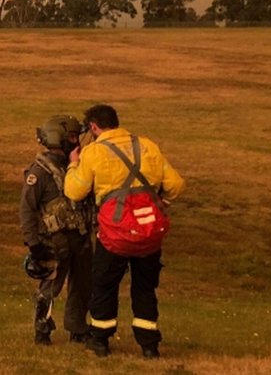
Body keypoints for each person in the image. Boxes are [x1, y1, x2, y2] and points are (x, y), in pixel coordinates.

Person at [64, 104, 185, 359]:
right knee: (144, 288)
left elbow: (74, 191)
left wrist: (74, 165)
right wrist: (163, 203)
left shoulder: (94, 153)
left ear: (94, 127)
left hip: (115, 235)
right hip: (148, 235)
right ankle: (149, 345)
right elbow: (175, 185)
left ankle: (100, 341)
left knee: (104, 286)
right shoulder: (147, 145)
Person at [19, 115, 93, 346]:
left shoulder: (76, 167)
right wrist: (33, 243)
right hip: (55, 241)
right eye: (72, 137)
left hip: (80, 237)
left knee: (82, 286)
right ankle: (42, 329)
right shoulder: (39, 172)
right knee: (51, 286)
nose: (76, 141)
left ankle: (78, 328)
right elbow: (27, 209)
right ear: (57, 138)